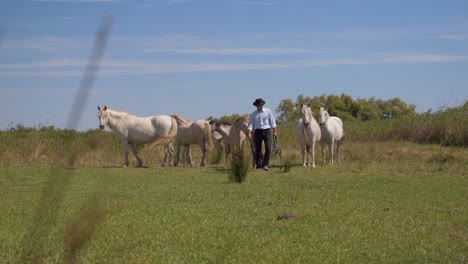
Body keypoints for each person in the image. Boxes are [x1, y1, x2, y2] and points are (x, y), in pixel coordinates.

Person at [247, 98, 277, 171]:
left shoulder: (268, 111)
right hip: (257, 131)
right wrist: (249, 132)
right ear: (256, 106)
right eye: (257, 106)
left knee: (268, 148)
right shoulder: (253, 114)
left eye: (260, 105)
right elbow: (251, 124)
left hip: (267, 131)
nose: (259, 107)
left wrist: (275, 131)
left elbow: (272, 121)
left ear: (262, 105)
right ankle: (258, 165)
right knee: (257, 149)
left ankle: (265, 164)